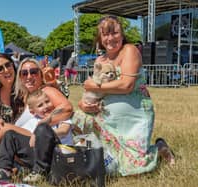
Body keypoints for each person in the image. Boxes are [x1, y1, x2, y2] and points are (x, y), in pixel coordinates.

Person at [75, 15, 175, 176]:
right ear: (100, 38)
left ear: (122, 34)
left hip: (133, 117)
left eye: (114, 33)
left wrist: (93, 85)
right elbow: (93, 91)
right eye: (105, 34)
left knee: (134, 167)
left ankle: (159, 147)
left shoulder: (130, 50)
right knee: (79, 122)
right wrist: (83, 104)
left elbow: (126, 85)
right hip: (105, 117)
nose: (110, 38)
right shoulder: (100, 60)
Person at [0, 89, 73, 181]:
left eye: (47, 101)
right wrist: (3, 123)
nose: (46, 106)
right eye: (40, 105)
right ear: (33, 112)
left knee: (42, 128)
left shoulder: (60, 117)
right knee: (10, 134)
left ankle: (40, 172)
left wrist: (42, 132)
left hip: (58, 155)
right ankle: (4, 170)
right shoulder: (33, 121)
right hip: (38, 157)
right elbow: (20, 135)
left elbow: (64, 130)